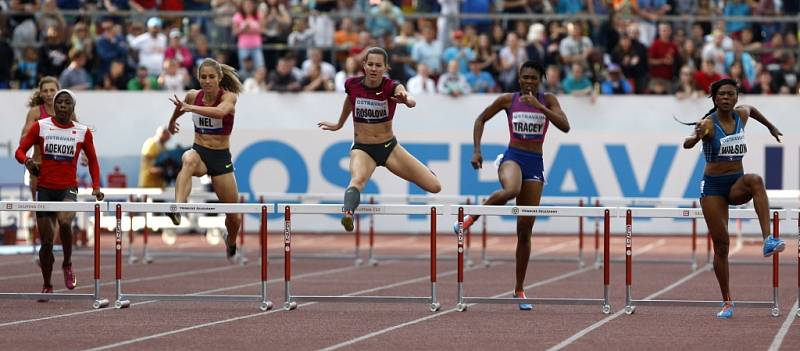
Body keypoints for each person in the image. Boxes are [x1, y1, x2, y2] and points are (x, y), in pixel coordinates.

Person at [456, 61, 571, 310]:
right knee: (512, 190)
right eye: (524, 78)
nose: (528, 82)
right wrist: (477, 150)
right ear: (519, 79)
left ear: (540, 80)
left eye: (533, 78)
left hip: (535, 163)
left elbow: (565, 126)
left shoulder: (548, 100)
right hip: (513, 158)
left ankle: (519, 289)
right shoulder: (508, 100)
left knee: (525, 230)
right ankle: (467, 221)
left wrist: (540, 107)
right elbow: (480, 119)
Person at [681, 78, 785, 319]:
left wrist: (770, 127)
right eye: (721, 95)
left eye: (730, 94)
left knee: (756, 180)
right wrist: (696, 136)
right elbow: (687, 144)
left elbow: (753, 110)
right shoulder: (708, 124)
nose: (726, 98)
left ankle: (768, 239)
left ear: (736, 98)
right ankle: (727, 301)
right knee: (722, 245)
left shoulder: (741, 115)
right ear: (714, 98)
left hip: (736, 184)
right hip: (714, 188)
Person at [318, 47, 442, 232]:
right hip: (363, 148)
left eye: (378, 65)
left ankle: (425, 171)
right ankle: (348, 214)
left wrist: (407, 101)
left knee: (435, 186)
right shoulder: (352, 84)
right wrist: (339, 124)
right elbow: (349, 101)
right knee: (357, 180)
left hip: (389, 148)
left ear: (386, 68)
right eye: (370, 64)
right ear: (364, 66)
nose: (374, 69)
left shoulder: (390, 86)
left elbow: (409, 97)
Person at [15, 89, 104, 300]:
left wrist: (96, 186)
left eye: (67, 103)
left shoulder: (83, 132)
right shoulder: (41, 127)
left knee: (65, 222)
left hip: (68, 188)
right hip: (45, 189)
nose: (63, 106)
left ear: (73, 108)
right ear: (54, 106)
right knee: (46, 244)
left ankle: (67, 263)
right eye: (60, 102)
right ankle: (47, 283)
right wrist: (28, 162)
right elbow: (19, 151)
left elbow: (92, 160)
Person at [166, 58, 243, 261]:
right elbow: (180, 107)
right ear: (198, 78)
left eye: (211, 77)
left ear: (219, 78)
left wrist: (190, 109)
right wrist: (172, 121)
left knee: (233, 216)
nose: (207, 81)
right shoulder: (192, 96)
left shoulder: (229, 97)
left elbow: (220, 112)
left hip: (221, 159)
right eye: (203, 77)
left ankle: (232, 240)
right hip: (200, 153)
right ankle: (178, 208)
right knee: (188, 159)